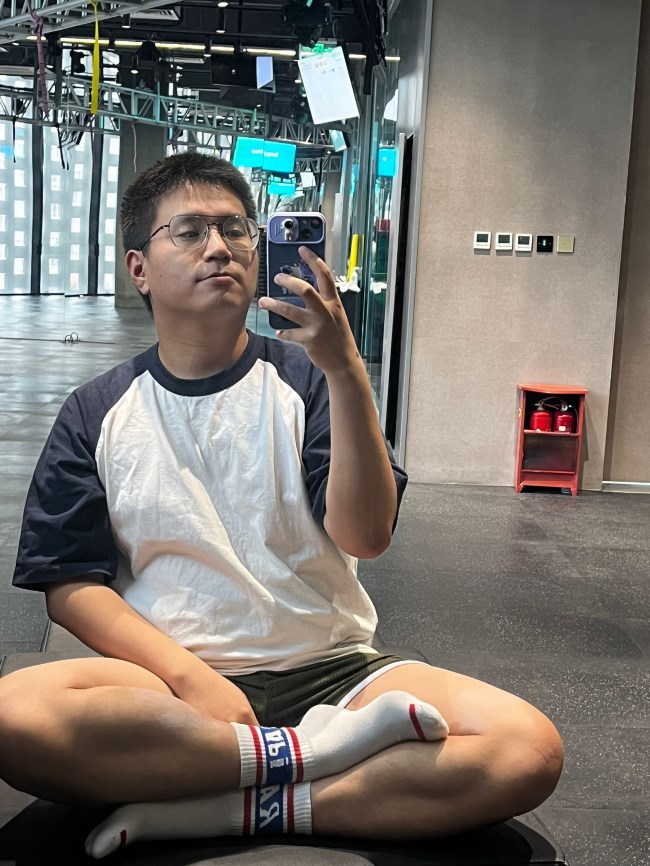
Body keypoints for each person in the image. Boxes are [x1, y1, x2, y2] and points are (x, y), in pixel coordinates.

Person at [0, 153, 563, 860]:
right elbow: (69, 584)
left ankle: (226, 801)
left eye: (236, 229)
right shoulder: (96, 411)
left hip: (335, 670)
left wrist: (346, 369)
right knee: (15, 718)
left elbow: (365, 535)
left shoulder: (309, 380)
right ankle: (311, 759)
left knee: (525, 747)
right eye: (190, 232)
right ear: (139, 268)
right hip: (169, 687)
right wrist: (191, 678)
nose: (219, 247)